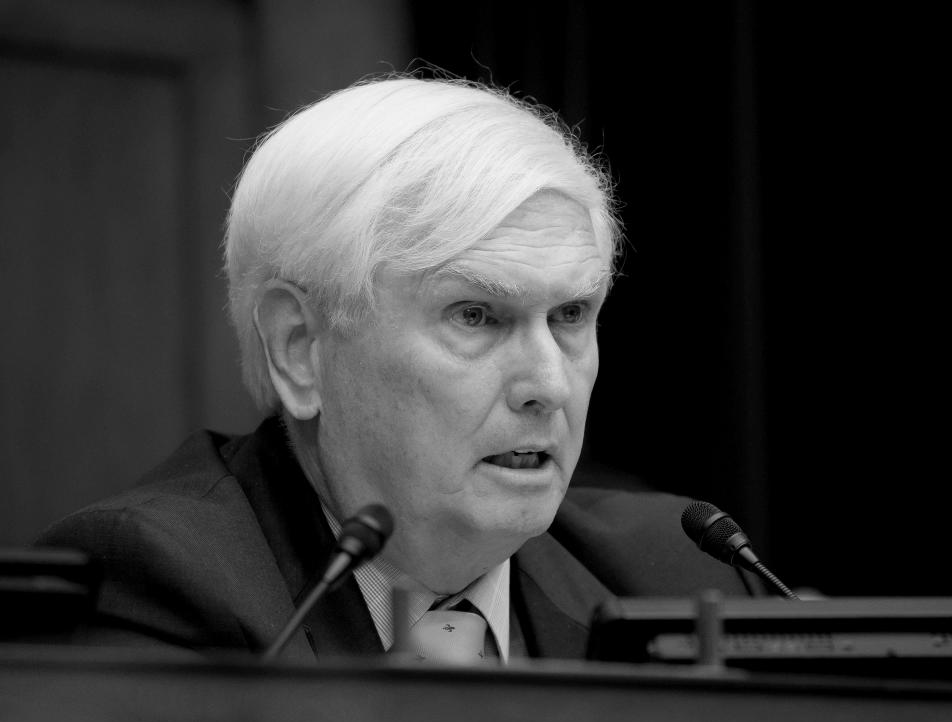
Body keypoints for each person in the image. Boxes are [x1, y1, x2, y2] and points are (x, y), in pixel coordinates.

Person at [37, 76, 747, 663]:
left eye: (569, 316)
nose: (549, 386)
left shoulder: (682, 573)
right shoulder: (162, 584)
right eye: (476, 316)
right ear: (300, 348)